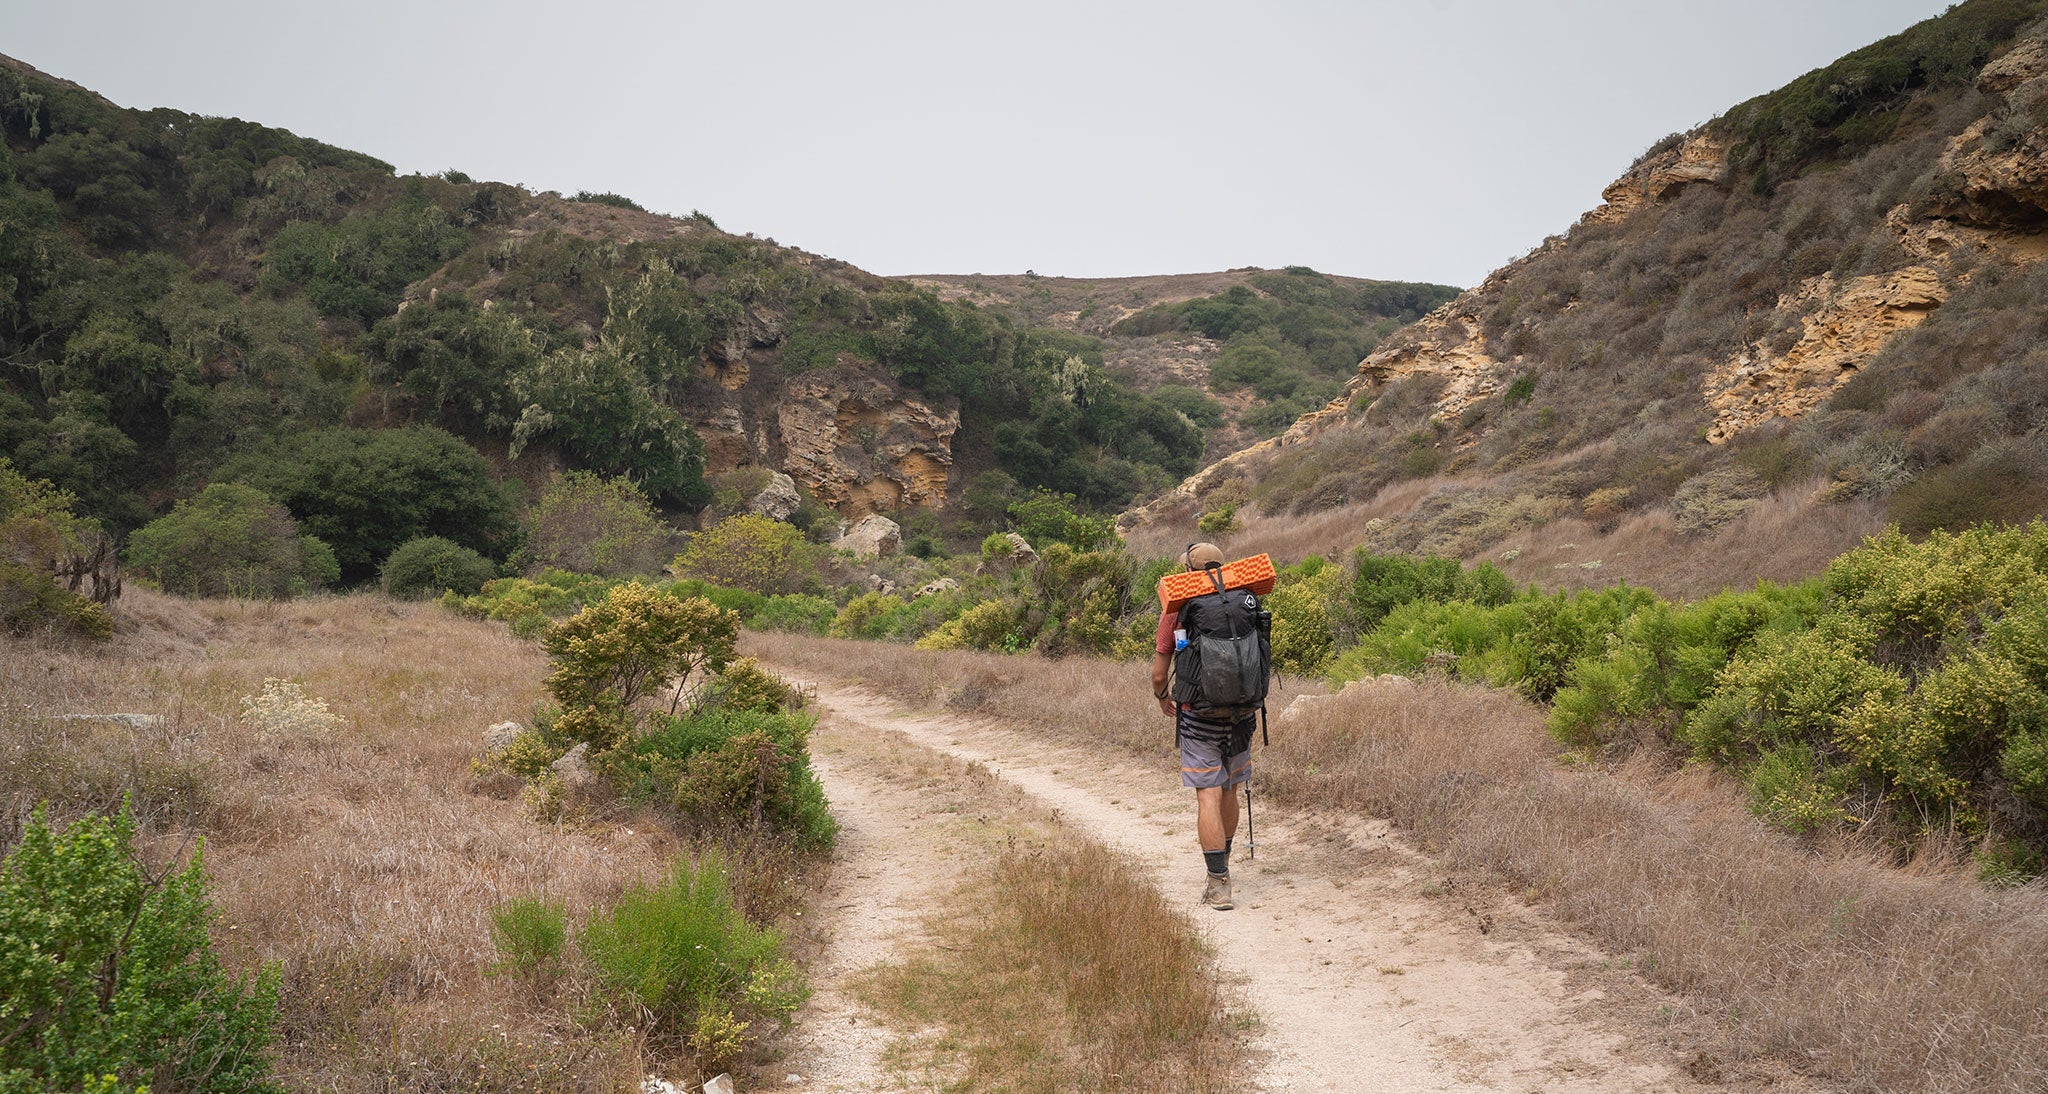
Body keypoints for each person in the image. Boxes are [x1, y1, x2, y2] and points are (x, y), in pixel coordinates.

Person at [1152, 541, 1256, 910]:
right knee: (1229, 787)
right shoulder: (1245, 598)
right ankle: (1224, 862)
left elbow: (1158, 672)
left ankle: (1218, 883)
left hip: (1199, 714)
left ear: (1188, 573)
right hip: (1243, 712)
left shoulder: (1179, 608)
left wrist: (1163, 696)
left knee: (1207, 794)